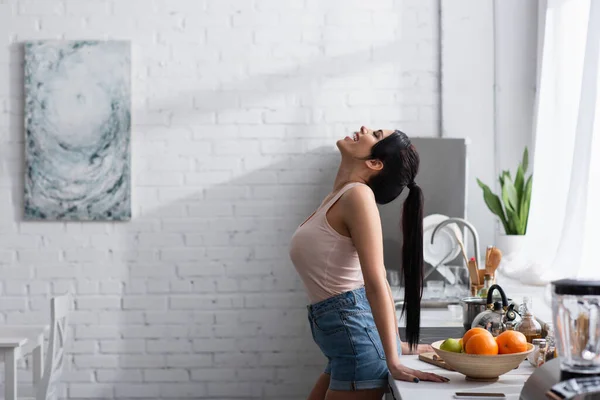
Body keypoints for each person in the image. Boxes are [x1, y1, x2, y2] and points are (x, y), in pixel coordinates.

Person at [289, 127, 449, 400]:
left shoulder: (358, 196)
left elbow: (376, 280)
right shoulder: (339, 197)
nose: (363, 129)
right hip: (345, 340)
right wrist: (396, 347)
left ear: (375, 163)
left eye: (374, 134)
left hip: (356, 341)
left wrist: (393, 359)